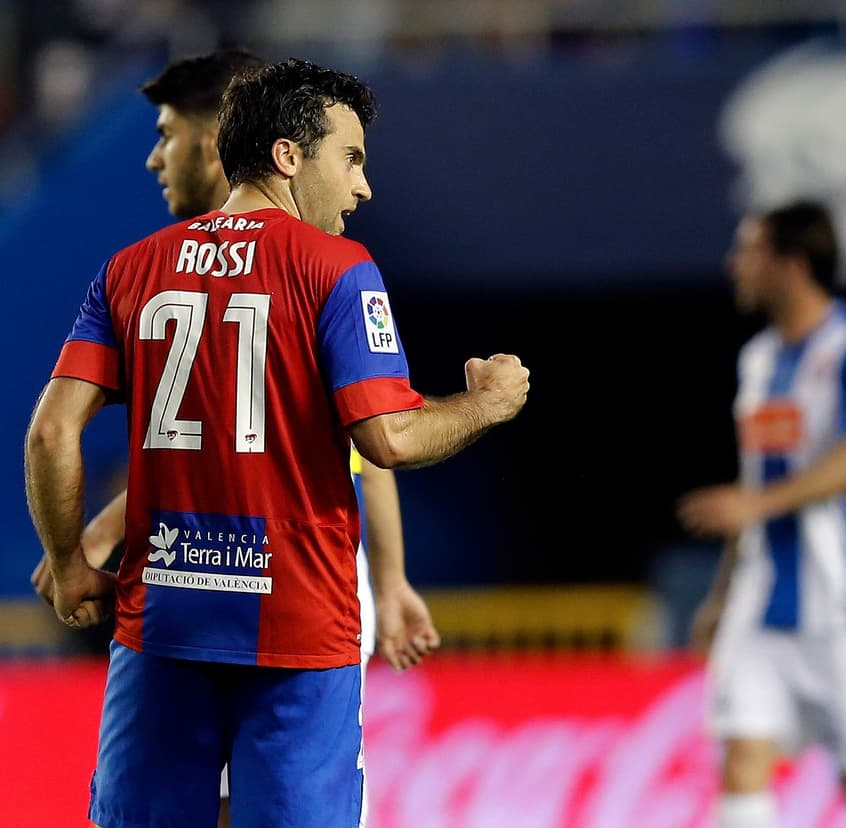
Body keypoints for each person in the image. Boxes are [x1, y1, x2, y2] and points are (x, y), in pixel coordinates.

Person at [25, 58, 529, 828]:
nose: (363, 187)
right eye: (351, 158)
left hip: (161, 624)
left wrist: (69, 564)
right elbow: (386, 440)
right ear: (290, 157)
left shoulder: (131, 269)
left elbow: (51, 431)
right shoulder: (336, 269)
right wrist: (485, 404)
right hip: (298, 633)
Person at [679, 202, 846, 828]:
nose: (735, 264)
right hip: (761, 598)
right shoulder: (758, 360)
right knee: (742, 758)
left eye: (750, 249)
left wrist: (756, 505)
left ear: (792, 264)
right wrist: (722, 594)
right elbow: (752, 485)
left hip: (845, 602)